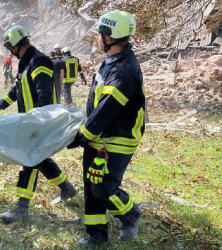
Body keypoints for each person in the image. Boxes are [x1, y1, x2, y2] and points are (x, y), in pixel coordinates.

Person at [67, 10, 144, 247]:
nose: (97, 38)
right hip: (99, 138)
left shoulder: (123, 72)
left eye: (100, 34)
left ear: (109, 37)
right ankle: (96, 236)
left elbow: (107, 110)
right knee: (92, 187)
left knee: (104, 189)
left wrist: (81, 136)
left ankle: (130, 214)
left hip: (118, 139)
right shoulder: (113, 60)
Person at [0, 26, 77, 224]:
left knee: (29, 160)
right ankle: (67, 188)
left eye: (9, 47)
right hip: (31, 120)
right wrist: (1, 104)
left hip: (38, 121)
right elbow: (17, 89)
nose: (10, 51)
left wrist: (38, 121)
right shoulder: (25, 63)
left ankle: (22, 208)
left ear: (16, 45)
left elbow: (44, 92)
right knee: (41, 158)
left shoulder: (39, 60)